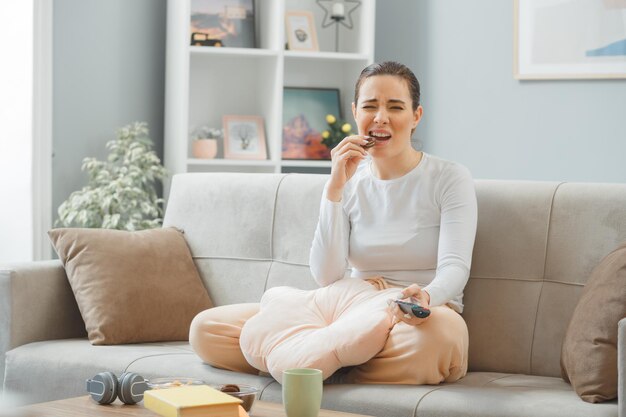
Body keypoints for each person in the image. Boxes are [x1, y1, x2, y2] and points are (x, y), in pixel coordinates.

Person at [189, 61, 477, 385]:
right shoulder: (351, 180)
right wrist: (334, 189)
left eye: (395, 107)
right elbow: (326, 276)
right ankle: (326, 362)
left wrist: (425, 297)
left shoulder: (449, 178)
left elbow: (455, 267)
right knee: (206, 329)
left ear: (416, 116)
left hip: (415, 313)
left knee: (442, 338)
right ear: (355, 112)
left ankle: (310, 368)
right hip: (348, 309)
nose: (380, 117)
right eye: (370, 106)